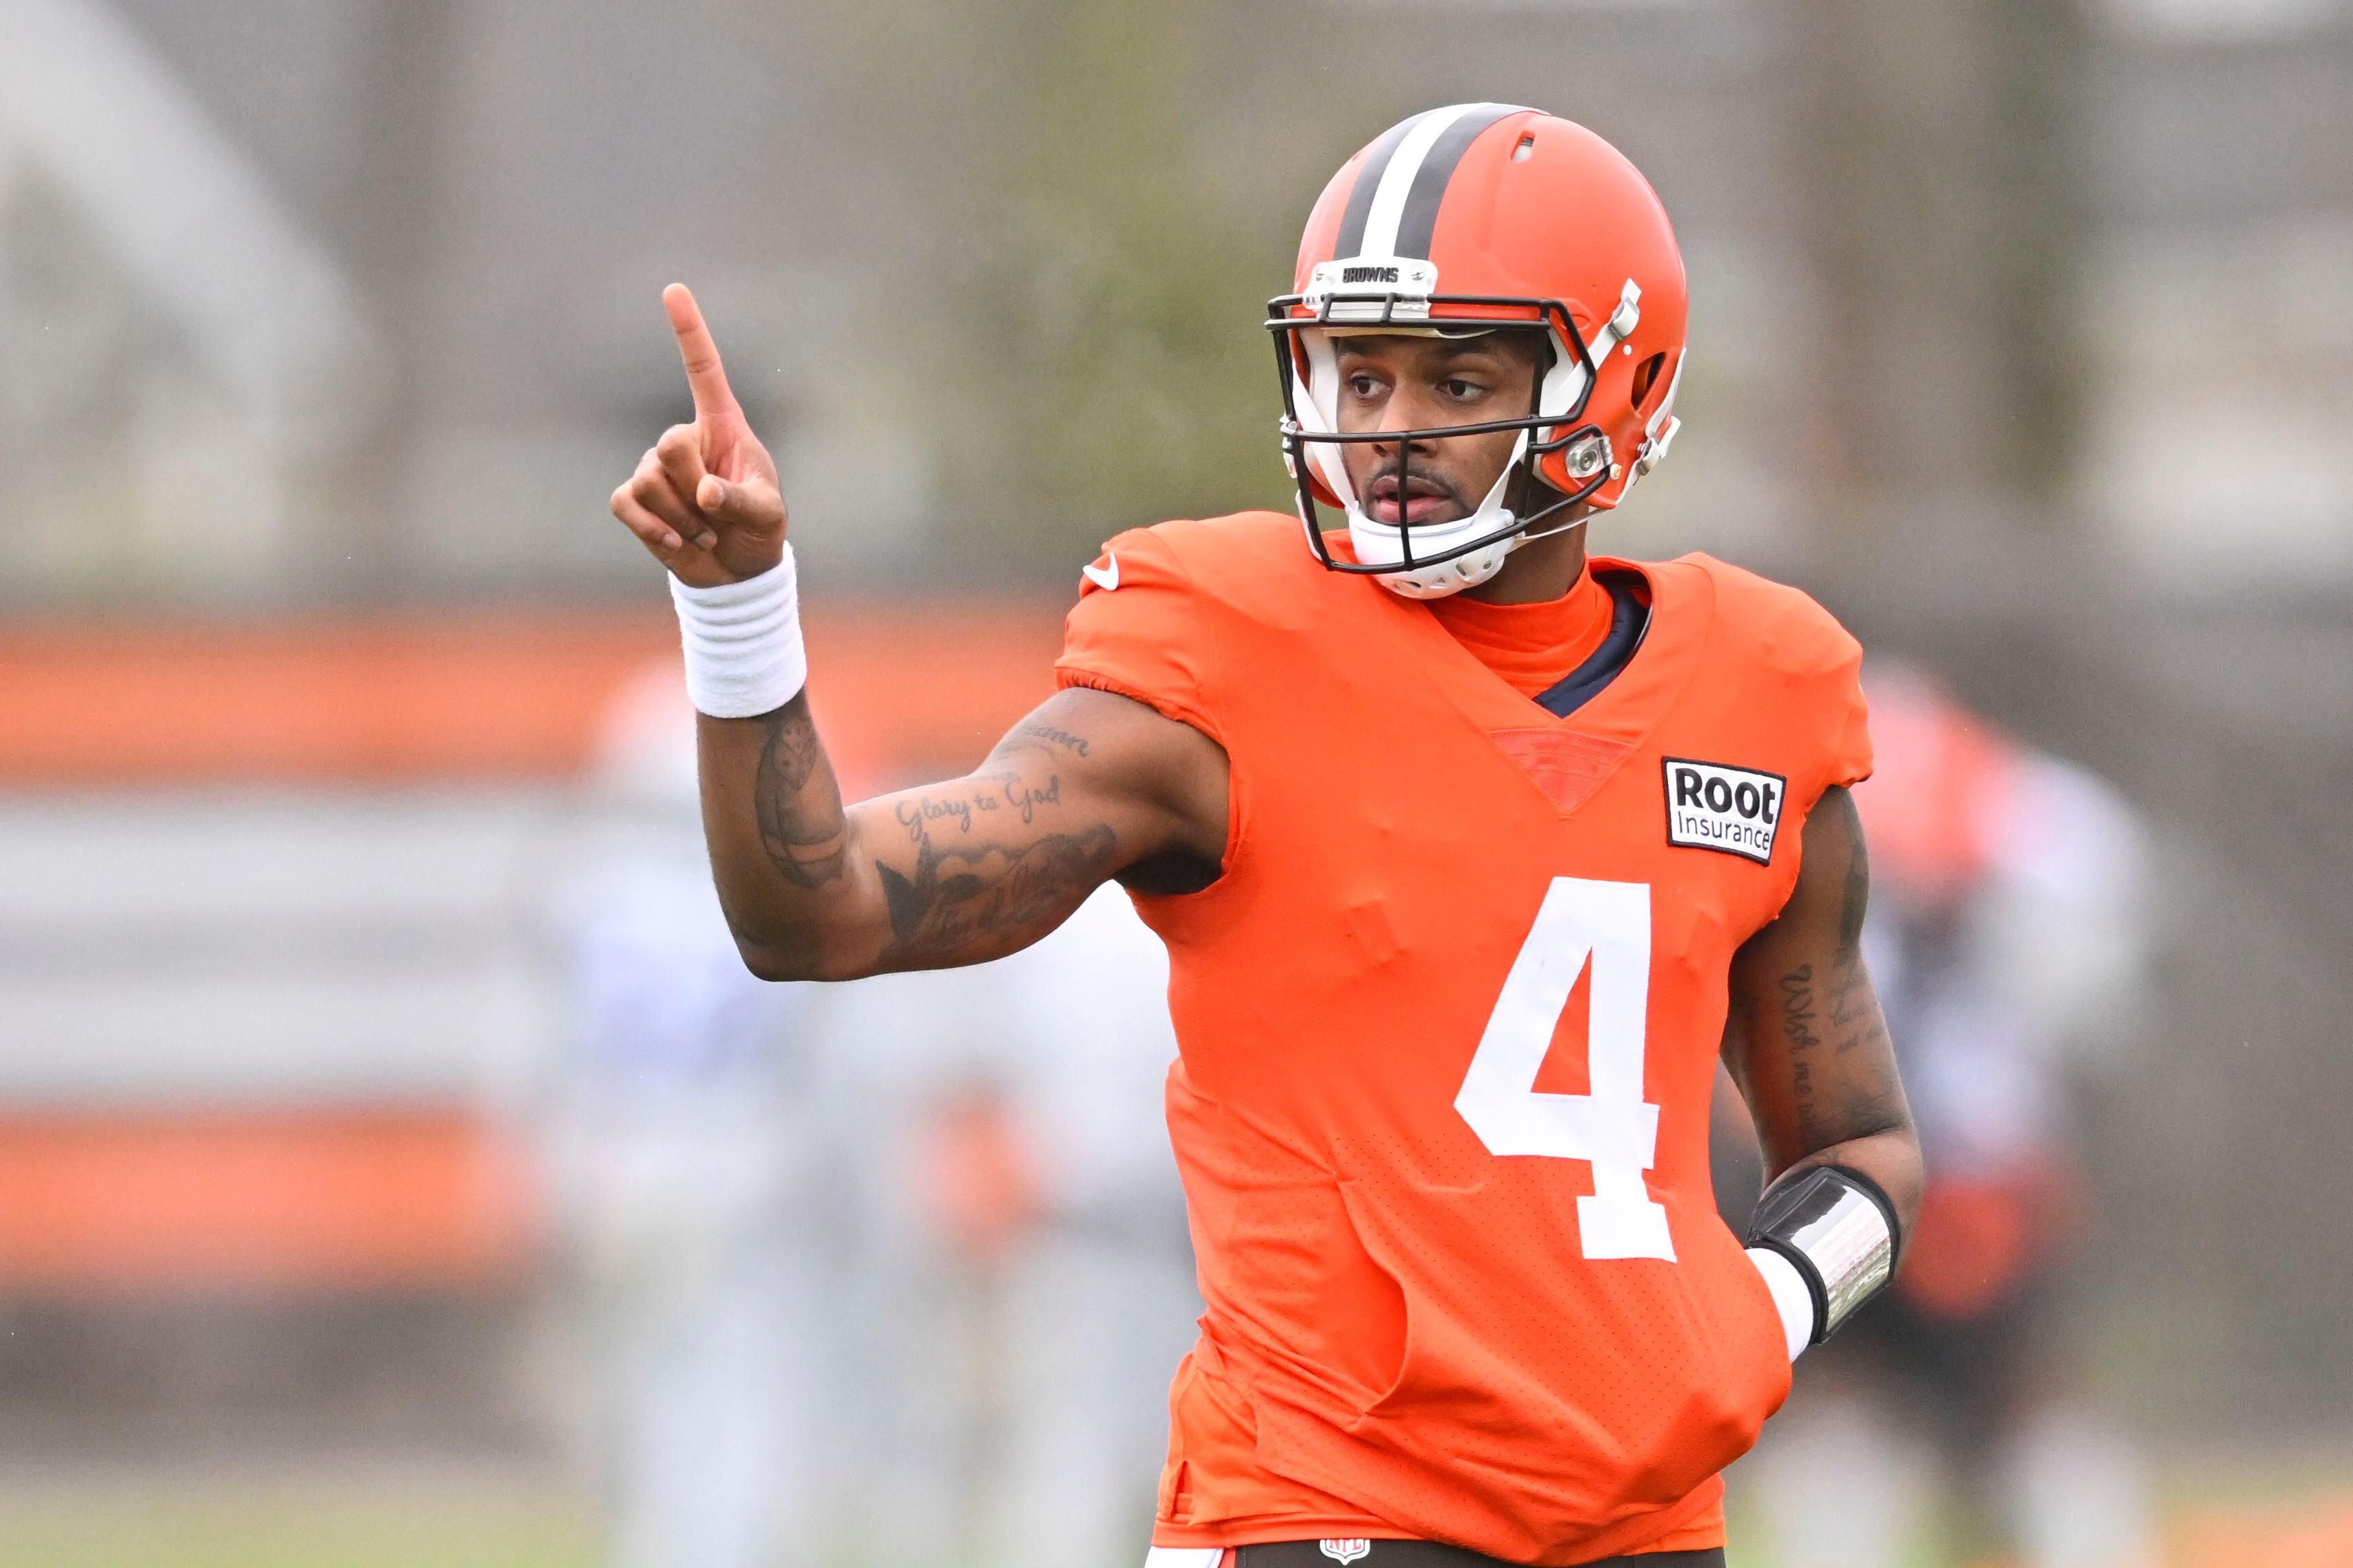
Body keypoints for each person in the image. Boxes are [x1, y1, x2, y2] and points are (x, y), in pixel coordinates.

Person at [610, 103, 1925, 1568]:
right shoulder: (1225, 658)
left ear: (1613, 387)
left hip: (1647, 1533)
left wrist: (1771, 1303)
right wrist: (740, 613)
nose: (1390, 432)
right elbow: (823, 911)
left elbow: (1863, 1143)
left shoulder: (1759, 691)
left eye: (1456, 376)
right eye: (1359, 374)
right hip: (1325, 1517)